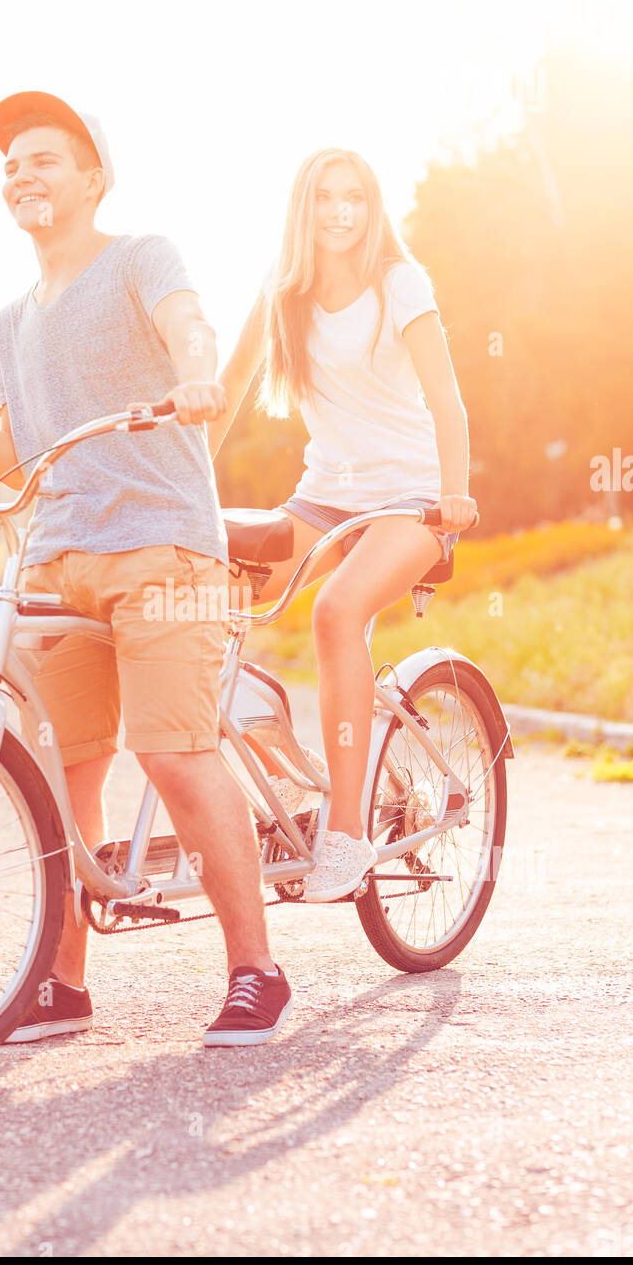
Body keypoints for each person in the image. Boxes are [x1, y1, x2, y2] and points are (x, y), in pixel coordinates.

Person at [0, 91, 291, 1046]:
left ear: (92, 178)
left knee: (172, 749)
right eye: (11, 166)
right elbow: (24, 450)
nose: (21, 176)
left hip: (162, 542)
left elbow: (188, 326)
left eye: (43, 159)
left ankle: (258, 970)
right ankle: (65, 984)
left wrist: (196, 371)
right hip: (56, 559)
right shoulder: (9, 319)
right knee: (68, 773)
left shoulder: (140, 257)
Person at [212, 147, 478, 903]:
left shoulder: (400, 282)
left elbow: (448, 401)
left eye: (354, 198)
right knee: (208, 596)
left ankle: (349, 835)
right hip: (325, 494)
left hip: (411, 499)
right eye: (326, 198)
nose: (340, 212)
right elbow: (230, 390)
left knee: (336, 612)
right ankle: (303, 777)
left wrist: (453, 497)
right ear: (305, 209)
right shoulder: (284, 290)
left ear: (372, 206)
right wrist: (183, 487)